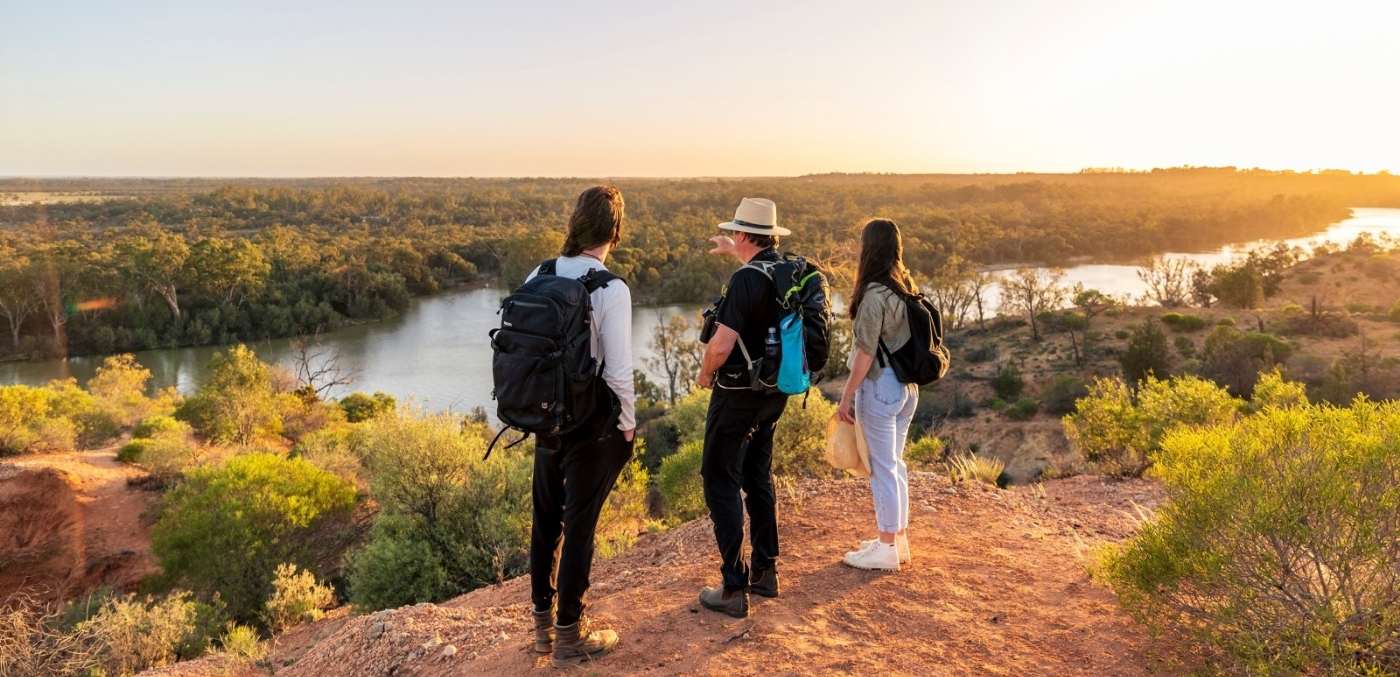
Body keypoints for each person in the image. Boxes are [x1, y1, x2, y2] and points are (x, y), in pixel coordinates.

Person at [527, 186, 635, 667]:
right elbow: (618, 370)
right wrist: (627, 424)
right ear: (615, 230)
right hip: (590, 425)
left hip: (545, 418)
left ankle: (542, 629)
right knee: (580, 526)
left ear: (574, 223)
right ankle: (571, 635)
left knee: (545, 522)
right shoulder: (610, 287)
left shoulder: (540, 273)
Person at [694, 197, 793, 618]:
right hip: (774, 393)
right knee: (757, 473)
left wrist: (703, 375)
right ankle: (766, 572)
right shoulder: (786, 271)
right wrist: (733, 248)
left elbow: (720, 344)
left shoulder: (744, 281)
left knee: (719, 478)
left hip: (736, 395)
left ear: (741, 233)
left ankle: (734, 588)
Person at [836, 218, 918, 571]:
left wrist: (846, 396)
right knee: (894, 464)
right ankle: (896, 540)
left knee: (882, 468)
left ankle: (886, 548)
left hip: (881, 387)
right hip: (907, 387)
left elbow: (865, 354)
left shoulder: (873, 294)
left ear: (868, 249)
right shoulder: (905, 284)